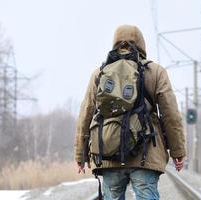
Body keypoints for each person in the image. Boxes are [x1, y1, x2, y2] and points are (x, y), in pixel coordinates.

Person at [74, 25, 186, 200]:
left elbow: (86, 114)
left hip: (110, 155)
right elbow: (171, 115)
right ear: (142, 44)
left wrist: (80, 154)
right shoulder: (156, 72)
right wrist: (178, 151)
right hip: (145, 155)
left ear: (115, 43)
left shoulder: (100, 73)